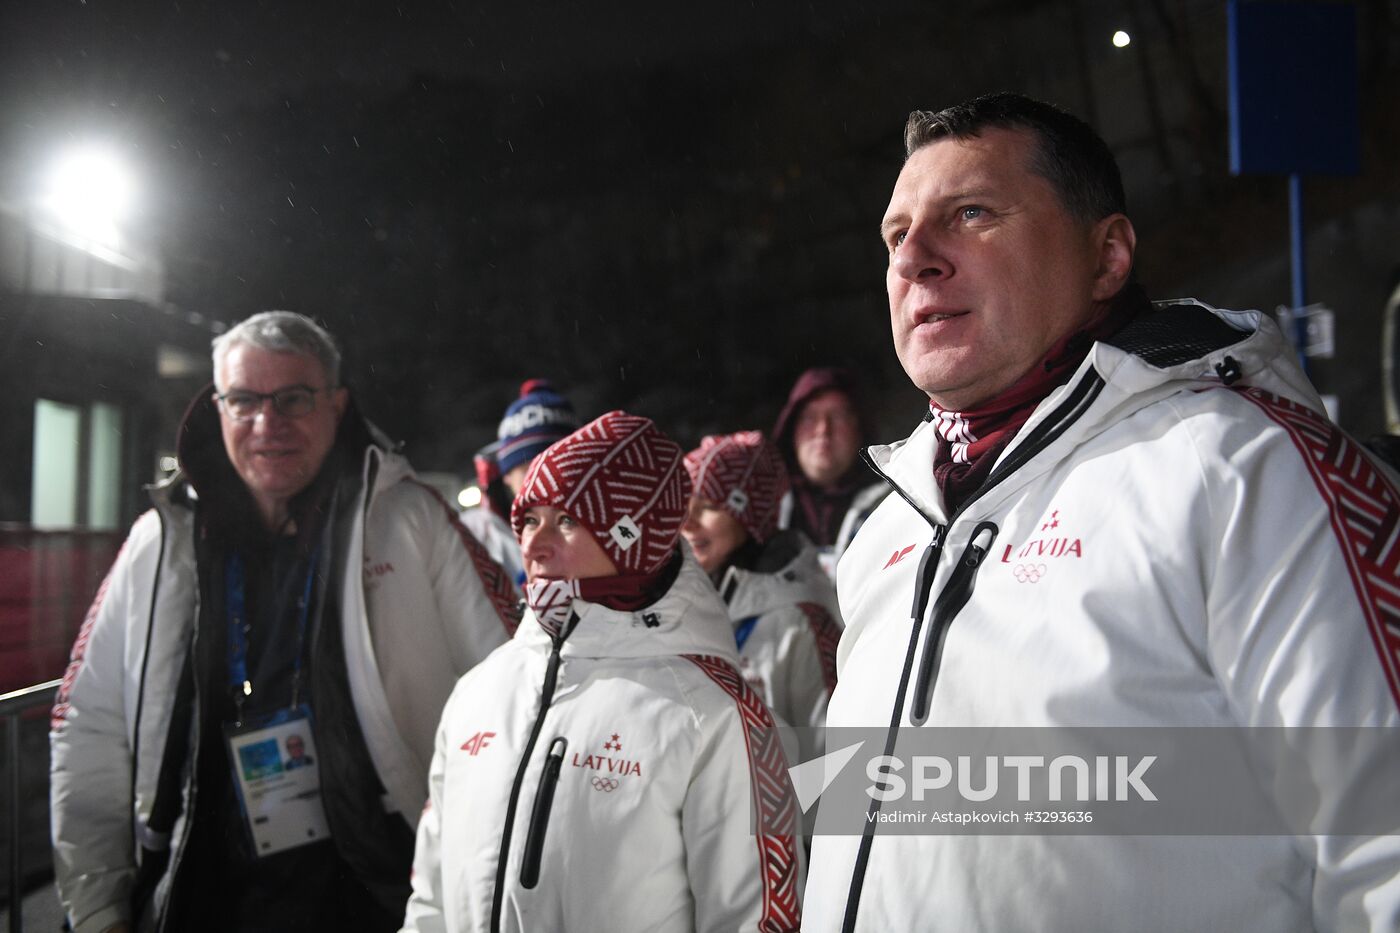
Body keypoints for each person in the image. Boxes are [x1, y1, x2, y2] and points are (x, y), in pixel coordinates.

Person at [803, 92, 1400, 930]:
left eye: (970, 214)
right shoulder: (885, 529)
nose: (915, 260)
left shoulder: (1244, 468)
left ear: (1108, 255)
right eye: (896, 236)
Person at [50, 311, 521, 933]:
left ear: (337, 404)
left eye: (294, 398)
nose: (268, 424)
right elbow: (89, 720)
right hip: (202, 888)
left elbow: (513, 696)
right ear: (217, 407)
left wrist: (470, 886)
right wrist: (99, 908)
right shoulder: (160, 542)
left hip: (379, 888)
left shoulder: (408, 520)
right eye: (244, 400)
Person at [402, 411, 802, 933]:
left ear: (632, 536)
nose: (535, 544)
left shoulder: (715, 713)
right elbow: (429, 898)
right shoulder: (479, 690)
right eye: (528, 520)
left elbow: (752, 918)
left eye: (567, 520)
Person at [680, 430, 840, 764]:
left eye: (708, 507)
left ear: (750, 515)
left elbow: (829, 758)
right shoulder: (685, 598)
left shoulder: (802, 618)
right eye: (682, 505)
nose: (688, 523)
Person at [771, 368, 887, 579]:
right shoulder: (763, 510)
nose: (823, 429)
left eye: (838, 416)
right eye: (809, 418)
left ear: (859, 428)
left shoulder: (894, 505)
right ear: (791, 430)